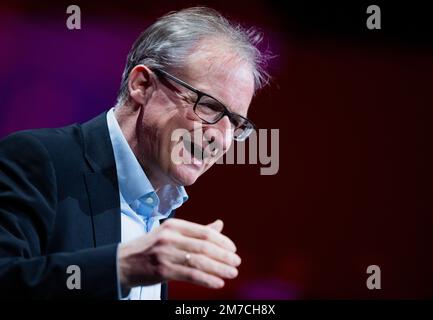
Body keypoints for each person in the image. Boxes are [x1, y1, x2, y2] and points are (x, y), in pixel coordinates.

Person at [0, 6, 270, 299]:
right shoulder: (39, 160)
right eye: (209, 106)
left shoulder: (162, 209)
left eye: (236, 123)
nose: (223, 139)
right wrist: (121, 268)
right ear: (142, 85)